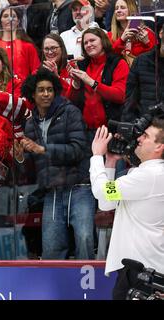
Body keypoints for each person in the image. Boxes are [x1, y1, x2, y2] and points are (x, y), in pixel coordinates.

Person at [18, 68, 95, 260]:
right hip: (52, 191)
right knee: (52, 249)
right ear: (32, 95)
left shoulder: (70, 112)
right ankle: (57, 289)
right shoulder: (30, 123)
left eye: (50, 89)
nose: (46, 94)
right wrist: (21, 156)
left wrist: (43, 149)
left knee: (85, 240)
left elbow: (78, 150)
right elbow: (35, 166)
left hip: (79, 187)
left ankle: (90, 287)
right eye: (41, 90)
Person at [90, 121, 164, 300]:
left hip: (144, 272)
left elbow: (102, 191)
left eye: (146, 136)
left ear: (159, 147)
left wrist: (96, 156)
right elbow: (106, 203)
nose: (139, 138)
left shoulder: (150, 175)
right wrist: (110, 162)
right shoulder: (146, 175)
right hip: (138, 269)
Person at [67, 27, 129, 131]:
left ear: (103, 41)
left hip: (110, 129)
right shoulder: (81, 65)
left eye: (92, 40)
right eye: (85, 43)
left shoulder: (118, 63)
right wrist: (76, 84)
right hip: (84, 129)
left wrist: (91, 82)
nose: (88, 45)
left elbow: (120, 95)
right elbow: (72, 101)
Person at [0, 6, 40, 85]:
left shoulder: (28, 46)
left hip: (23, 91)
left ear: (18, 21)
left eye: (13, 16)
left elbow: (36, 71)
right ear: (0, 21)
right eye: (5, 16)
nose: (9, 19)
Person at [122, 21, 164, 122]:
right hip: (145, 126)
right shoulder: (142, 60)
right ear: (161, 33)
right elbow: (130, 98)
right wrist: (128, 123)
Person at [107, 0, 156, 66]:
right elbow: (107, 58)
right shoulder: (110, 35)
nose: (118, 10)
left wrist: (147, 43)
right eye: (116, 8)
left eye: (122, 7)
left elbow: (155, 59)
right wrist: (121, 40)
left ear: (131, 10)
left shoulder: (147, 33)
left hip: (140, 73)